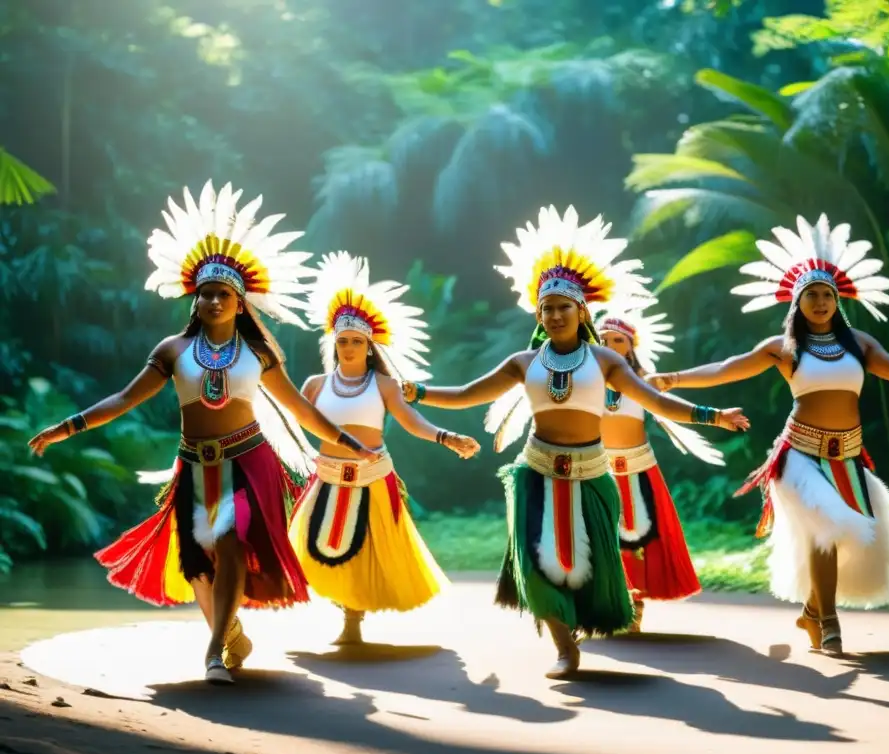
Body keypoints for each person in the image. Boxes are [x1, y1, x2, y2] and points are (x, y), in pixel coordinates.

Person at [27, 181, 380, 685]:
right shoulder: (173, 349)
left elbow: (301, 408)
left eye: (224, 294)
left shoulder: (258, 354)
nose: (214, 300)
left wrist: (348, 443)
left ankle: (213, 652)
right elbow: (126, 398)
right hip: (193, 462)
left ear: (240, 303)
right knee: (198, 561)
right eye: (206, 293)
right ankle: (228, 631)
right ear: (196, 300)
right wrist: (68, 427)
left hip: (249, 459)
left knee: (231, 540)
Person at [405, 205, 749, 677]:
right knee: (534, 562)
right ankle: (565, 649)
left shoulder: (606, 360)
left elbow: (657, 402)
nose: (555, 314)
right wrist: (419, 392)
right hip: (535, 472)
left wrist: (714, 415)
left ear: (582, 310)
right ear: (539, 313)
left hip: (591, 474)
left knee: (593, 568)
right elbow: (467, 394)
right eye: (547, 308)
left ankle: (584, 626)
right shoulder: (524, 362)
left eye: (564, 306)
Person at [648, 214, 889, 655]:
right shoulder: (784, 348)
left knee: (860, 542)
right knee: (827, 530)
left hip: (848, 457)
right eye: (812, 295)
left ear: (837, 300)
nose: (821, 301)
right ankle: (829, 624)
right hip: (799, 457)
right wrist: (673, 378)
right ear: (797, 302)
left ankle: (812, 611)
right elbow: (726, 368)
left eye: (827, 294)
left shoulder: (860, 344)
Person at [288, 251, 480, 644]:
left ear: (369, 345)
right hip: (325, 476)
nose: (348, 347)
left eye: (356, 341)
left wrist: (448, 438)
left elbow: (413, 423)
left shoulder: (385, 385)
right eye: (342, 341)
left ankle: (352, 621)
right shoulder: (314, 385)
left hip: (372, 476)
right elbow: (292, 424)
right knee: (311, 544)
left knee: (365, 550)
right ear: (334, 342)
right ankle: (344, 612)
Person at [594, 299, 726, 632]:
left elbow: (668, 406)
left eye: (618, 340)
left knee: (640, 541)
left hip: (639, 470)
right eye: (604, 340)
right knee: (600, 539)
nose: (610, 346)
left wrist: (715, 417)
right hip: (598, 470)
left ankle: (634, 606)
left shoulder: (644, 381)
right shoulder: (586, 381)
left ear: (631, 346)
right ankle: (606, 605)